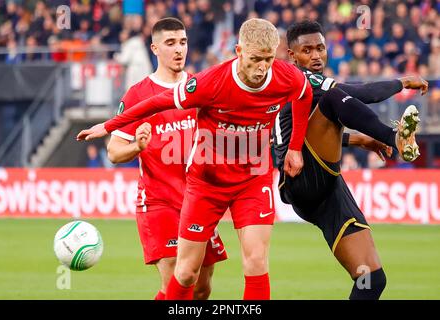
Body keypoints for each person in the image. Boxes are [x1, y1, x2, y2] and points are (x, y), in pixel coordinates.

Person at [77, 18, 313, 300]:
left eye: (183, 42)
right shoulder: (202, 84)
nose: (262, 68)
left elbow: (304, 93)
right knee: (184, 272)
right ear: (238, 51)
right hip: (183, 193)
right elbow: (142, 120)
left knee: (227, 276)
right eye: (171, 43)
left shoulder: (279, 76)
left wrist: (295, 147)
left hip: (251, 178)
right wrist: (111, 127)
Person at [274, 20, 428, 300]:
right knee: (336, 97)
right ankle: (396, 137)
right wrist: (403, 81)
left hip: (326, 188)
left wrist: (360, 140)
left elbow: (314, 130)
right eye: (307, 50)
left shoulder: (307, 86)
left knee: (371, 279)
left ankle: (393, 137)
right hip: (301, 177)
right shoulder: (299, 80)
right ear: (292, 56)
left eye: (320, 48)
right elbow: (360, 93)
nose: (316, 56)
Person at [106, 17, 227, 300]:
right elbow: (113, 151)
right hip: (159, 202)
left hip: (199, 202)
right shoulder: (138, 94)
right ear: (155, 49)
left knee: (201, 287)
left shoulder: (200, 88)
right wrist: (137, 145)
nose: (178, 50)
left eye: (182, 42)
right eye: (170, 43)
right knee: (177, 278)